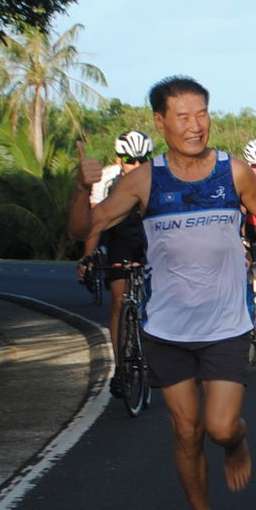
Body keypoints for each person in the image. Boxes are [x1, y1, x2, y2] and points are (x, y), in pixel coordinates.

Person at [69, 76, 256, 510]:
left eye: (202, 114)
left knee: (220, 426)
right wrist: (79, 188)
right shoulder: (145, 180)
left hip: (227, 324)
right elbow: (86, 226)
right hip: (167, 329)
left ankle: (236, 440)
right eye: (183, 117)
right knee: (186, 432)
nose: (195, 126)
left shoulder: (234, 172)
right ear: (160, 121)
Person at [80, 130, 154, 399]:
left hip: (147, 235)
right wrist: (88, 256)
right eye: (128, 160)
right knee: (119, 301)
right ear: (118, 159)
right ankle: (121, 367)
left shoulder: (158, 176)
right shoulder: (106, 180)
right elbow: (95, 223)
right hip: (118, 235)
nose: (135, 165)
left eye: (141, 159)